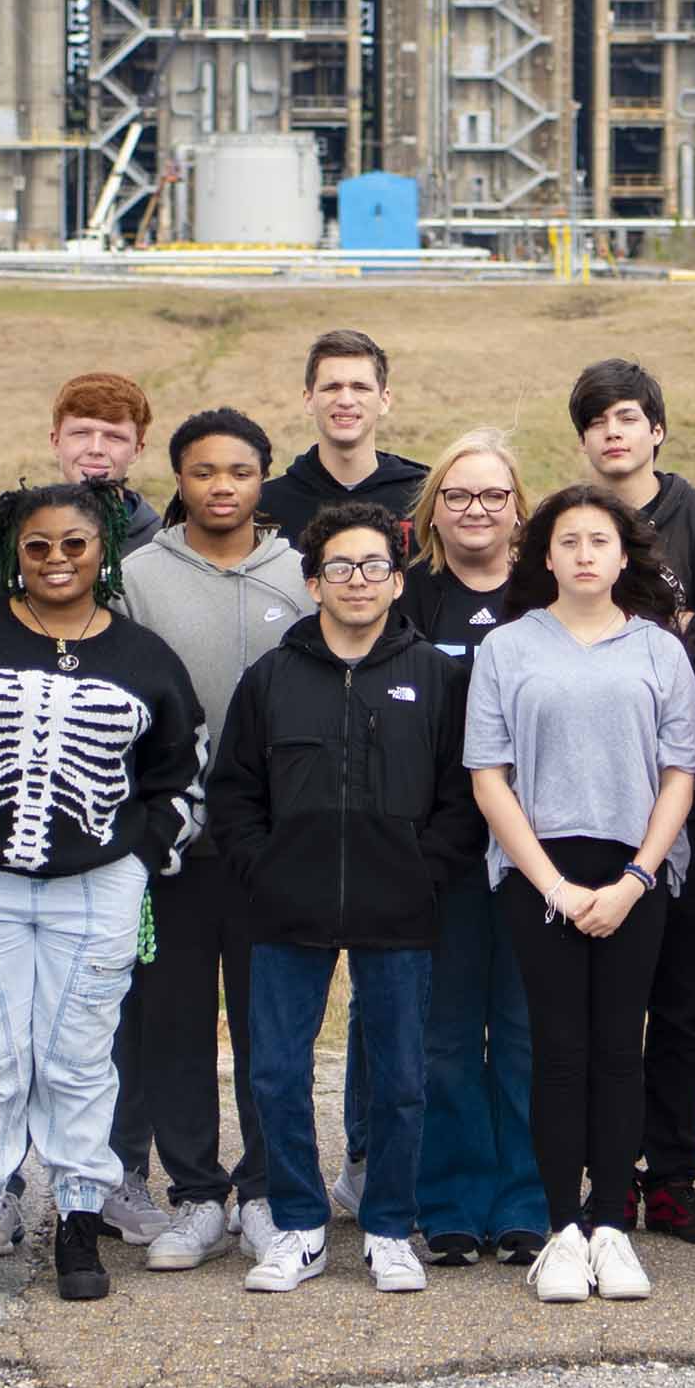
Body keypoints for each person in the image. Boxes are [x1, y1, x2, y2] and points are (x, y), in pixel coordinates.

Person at [0, 481, 203, 1307]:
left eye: (75, 545)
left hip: (97, 888)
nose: (57, 560)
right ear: (11, 556)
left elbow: (181, 773)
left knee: (79, 1061)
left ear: (104, 554)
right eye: (37, 547)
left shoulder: (143, 656)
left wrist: (139, 861)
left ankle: (78, 1217)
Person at [205, 502, 483, 1296]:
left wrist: (423, 872)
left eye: (371, 567)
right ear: (311, 581)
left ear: (397, 581)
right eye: (337, 568)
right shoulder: (270, 679)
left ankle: (391, 1226)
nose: (355, 582)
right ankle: (298, 1225)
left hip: (400, 907)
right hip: (286, 909)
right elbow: (233, 795)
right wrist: (266, 868)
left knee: (399, 1075)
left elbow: (464, 798)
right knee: (278, 1074)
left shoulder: (437, 676)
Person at [464, 484, 695, 1307]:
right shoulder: (507, 648)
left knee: (619, 1049)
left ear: (622, 554)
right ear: (545, 555)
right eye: (567, 541)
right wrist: (558, 888)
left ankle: (614, 1227)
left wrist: (637, 879)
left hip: (638, 872)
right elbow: (489, 776)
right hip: (541, 874)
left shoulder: (658, 650)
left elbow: (682, 773)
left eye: (598, 541)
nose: (583, 555)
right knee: (558, 1050)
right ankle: (562, 1230)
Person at [115, 408, 306, 1270]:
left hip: (274, 847)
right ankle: (195, 1192)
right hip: (175, 848)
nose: (221, 487)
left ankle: (265, 1190)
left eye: (238, 471)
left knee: (272, 1024)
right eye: (202, 472)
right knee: (175, 1020)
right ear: (178, 479)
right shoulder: (136, 577)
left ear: (264, 478)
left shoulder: (302, 575)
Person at [568, 357, 695, 1249]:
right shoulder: (568, 525)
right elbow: (550, 638)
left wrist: (613, 649)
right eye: (597, 419)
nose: (614, 432)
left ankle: (670, 1176)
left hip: (692, 800)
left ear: (657, 428)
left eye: (629, 416)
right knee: (593, 1003)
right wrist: (645, 644)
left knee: (679, 999)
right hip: (583, 804)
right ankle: (593, 1177)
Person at [401, 430, 545, 1267]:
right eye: (457, 496)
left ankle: (525, 1199)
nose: (476, 511)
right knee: (448, 1036)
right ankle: (449, 1201)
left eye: (492, 496)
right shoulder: (409, 598)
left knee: (525, 1032)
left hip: (536, 847)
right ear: (433, 512)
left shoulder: (548, 592)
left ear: (519, 508)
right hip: (440, 849)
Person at [0, 372, 164, 601]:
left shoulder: (158, 543)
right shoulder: (3, 533)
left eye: (115, 437)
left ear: (137, 449)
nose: (96, 449)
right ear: (56, 441)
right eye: (81, 433)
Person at [256, 329, 429, 543]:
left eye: (360, 387)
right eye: (332, 387)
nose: (346, 400)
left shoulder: (424, 499)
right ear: (309, 400)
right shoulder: (265, 507)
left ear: (384, 401)